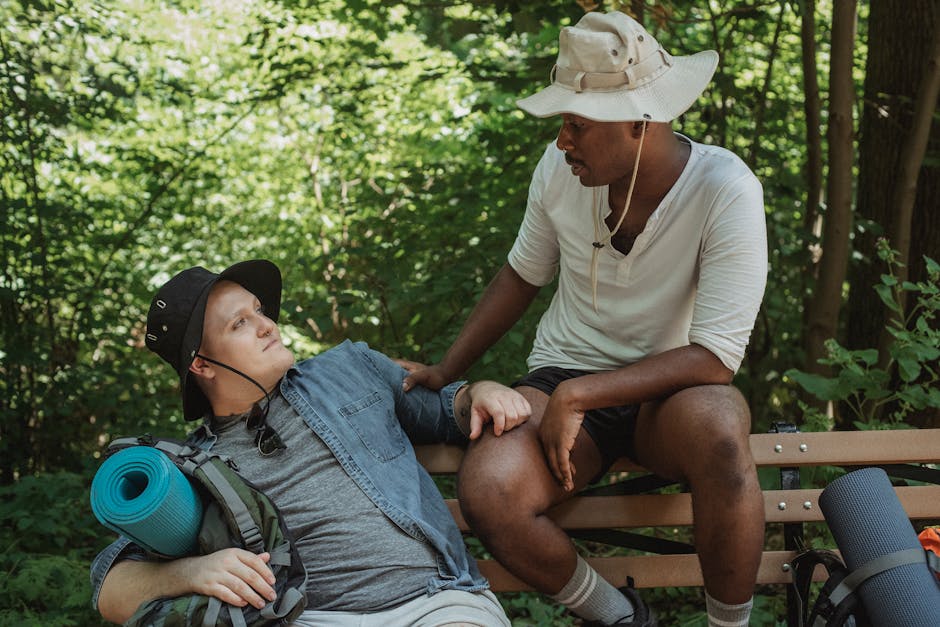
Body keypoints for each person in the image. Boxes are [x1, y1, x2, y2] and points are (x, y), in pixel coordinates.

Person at [401, 11, 768, 627]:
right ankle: (622, 617)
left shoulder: (724, 188)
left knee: (722, 429)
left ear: (638, 121)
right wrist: (446, 370)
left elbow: (715, 359)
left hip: (672, 393)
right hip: (561, 377)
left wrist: (581, 396)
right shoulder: (559, 171)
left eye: (577, 123)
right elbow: (520, 276)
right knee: (489, 488)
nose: (562, 139)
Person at [90, 259, 531, 626]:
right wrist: (192, 571)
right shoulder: (198, 466)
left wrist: (481, 390)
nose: (267, 326)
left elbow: (447, 410)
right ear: (202, 365)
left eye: (259, 311)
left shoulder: (349, 369)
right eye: (240, 324)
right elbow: (109, 589)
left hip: (435, 605)